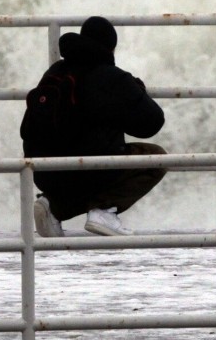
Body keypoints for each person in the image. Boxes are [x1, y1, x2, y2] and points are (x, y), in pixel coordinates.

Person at [21, 16, 167, 237]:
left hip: (45, 171)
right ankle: (105, 211)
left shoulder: (55, 71)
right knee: (156, 158)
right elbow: (152, 123)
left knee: (87, 153)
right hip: (89, 171)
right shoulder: (111, 77)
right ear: (111, 47)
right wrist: (136, 91)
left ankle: (53, 207)